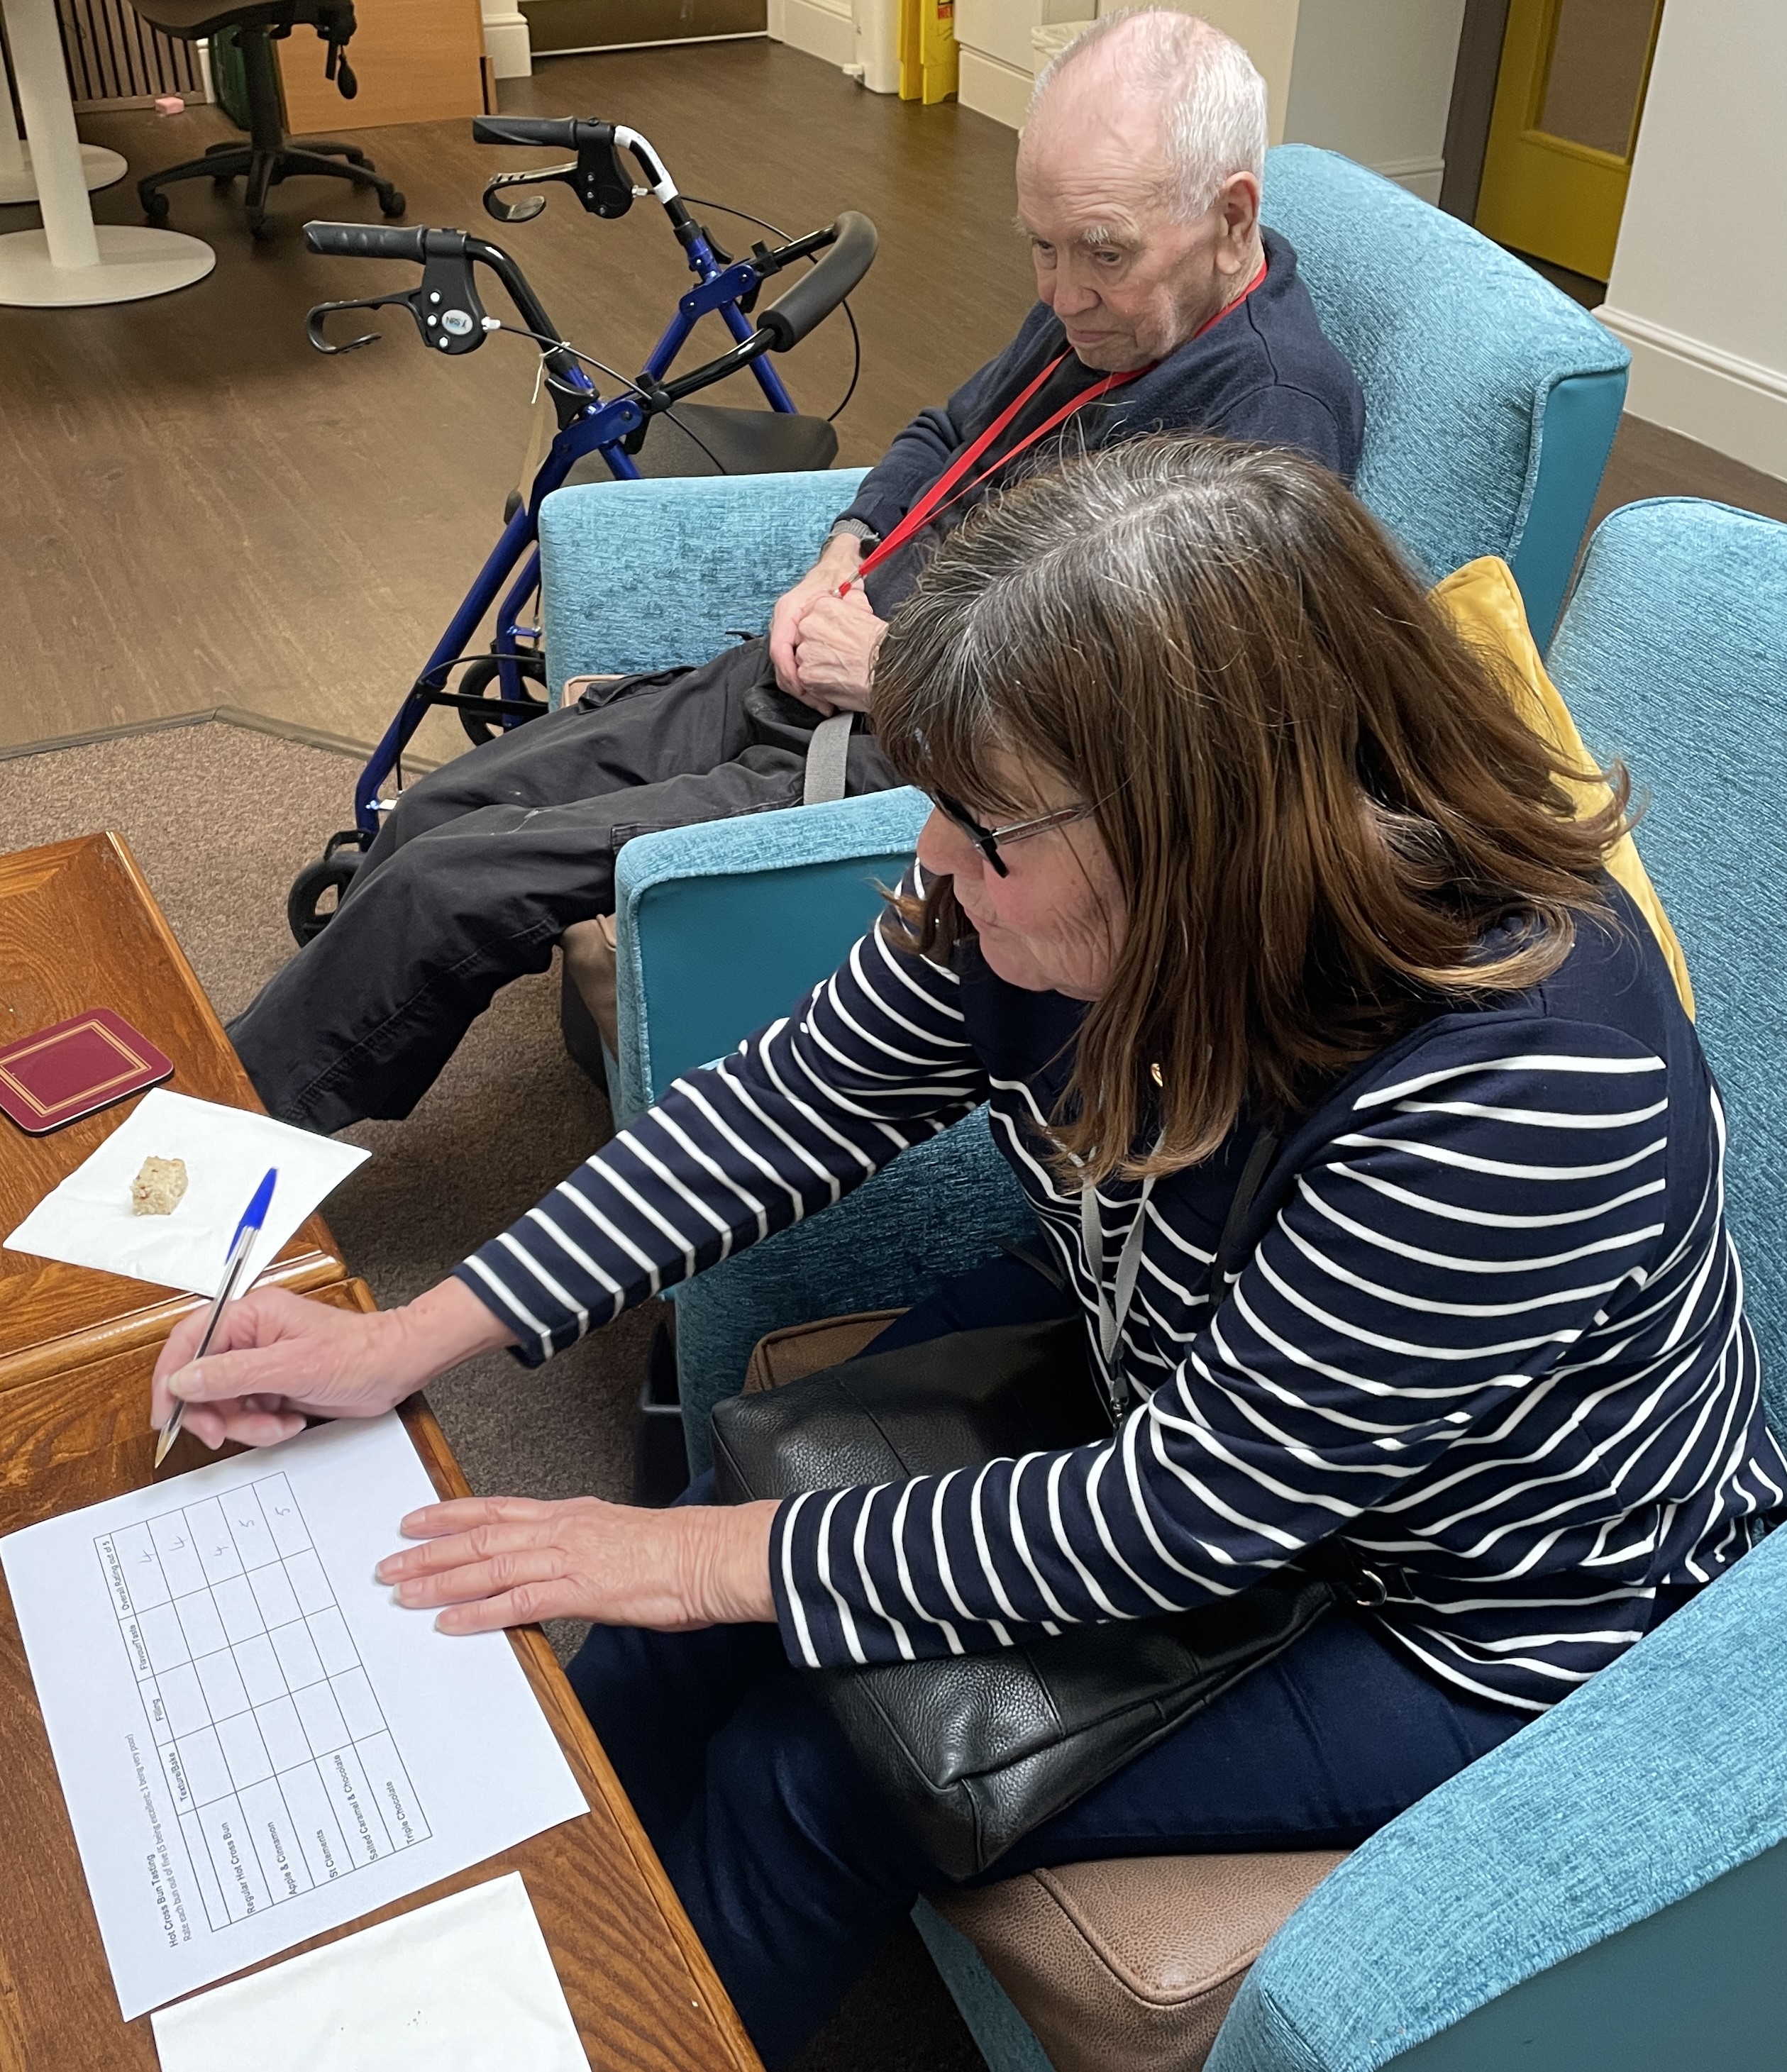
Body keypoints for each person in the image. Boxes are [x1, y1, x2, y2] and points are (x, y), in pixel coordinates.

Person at [159, 435, 1783, 2066]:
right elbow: (778, 1110)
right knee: (712, 1550)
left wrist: (698, 1568)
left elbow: (1192, 1513)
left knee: (819, 1763)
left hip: (1447, 1592)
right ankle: (519, 1944)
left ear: (1205, 832)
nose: (933, 858)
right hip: (1167, 1348)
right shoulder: (1036, 890)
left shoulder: (1526, 1076)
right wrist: (409, 1338)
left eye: (985, 821)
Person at [230, 6, 1365, 1135]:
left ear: (1231, 216)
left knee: (452, 885)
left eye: (1101, 253)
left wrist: (899, 671)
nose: (1062, 292)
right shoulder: (1110, 311)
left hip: (899, 758)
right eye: (1041, 245)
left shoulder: (1266, 419)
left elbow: (1174, 730)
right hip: (811, 676)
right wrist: (843, 555)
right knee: (445, 804)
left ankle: (205, 1154)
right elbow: (940, 430)